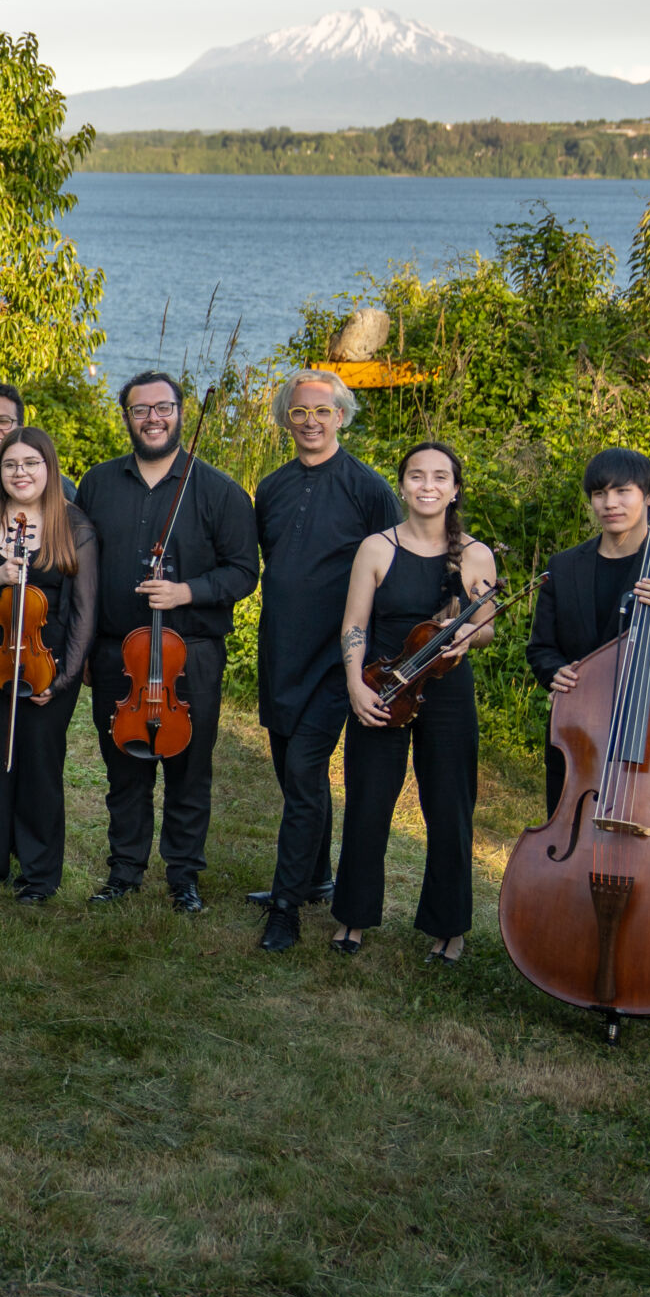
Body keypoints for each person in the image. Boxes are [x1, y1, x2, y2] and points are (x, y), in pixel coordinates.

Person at [74, 372, 258, 914]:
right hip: (116, 656)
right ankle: (124, 872)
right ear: (126, 417)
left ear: (180, 411)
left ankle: (184, 878)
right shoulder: (98, 484)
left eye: (163, 408)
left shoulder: (220, 490)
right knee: (123, 769)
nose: (153, 419)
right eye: (140, 410)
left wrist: (186, 591)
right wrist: (83, 648)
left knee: (188, 770)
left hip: (191, 657)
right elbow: (81, 570)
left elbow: (244, 571)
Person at [250, 368, 400, 952]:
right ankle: (313, 878)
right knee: (291, 774)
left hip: (337, 659)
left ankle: (285, 908)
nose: (310, 421)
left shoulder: (368, 488)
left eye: (322, 411)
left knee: (306, 775)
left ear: (341, 416)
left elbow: (394, 568)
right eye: (299, 412)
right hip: (279, 649)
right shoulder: (272, 485)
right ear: (287, 419)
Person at [331, 443, 499, 963]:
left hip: (446, 690)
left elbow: (488, 625)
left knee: (449, 805)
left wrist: (466, 635)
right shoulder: (376, 548)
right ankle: (353, 917)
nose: (428, 485)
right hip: (384, 682)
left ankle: (449, 927)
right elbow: (355, 624)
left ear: (454, 489)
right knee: (368, 800)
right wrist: (357, 685)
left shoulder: (474, 554)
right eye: (417, 476)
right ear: (402, 485)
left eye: (440, 477)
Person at [525, 445, 650, 817]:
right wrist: (555, 672)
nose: (609, 503)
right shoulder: (565, 565)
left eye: (623, 491)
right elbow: (541, 648)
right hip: (579, 736)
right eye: (600, 493)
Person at [0, 426, 97, 902]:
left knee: (38, 767)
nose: (20, 473)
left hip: (47, 666)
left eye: (31, 463)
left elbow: (85, 612)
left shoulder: (74, 526)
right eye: (11, 465)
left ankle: (40, 874)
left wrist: (66, 677)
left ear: (49, 469)